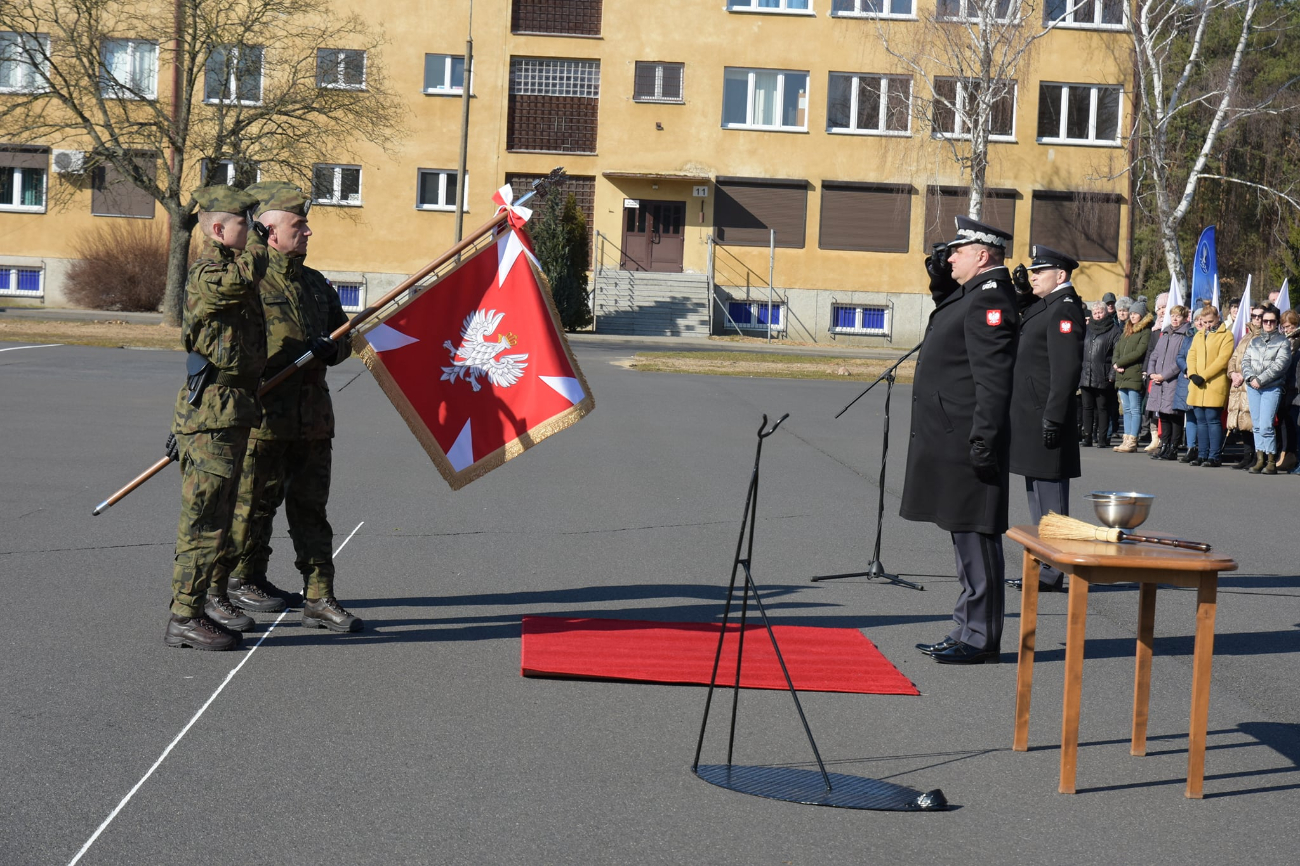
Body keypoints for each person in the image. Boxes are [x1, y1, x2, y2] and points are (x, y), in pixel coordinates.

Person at [216, 182, 363, 632]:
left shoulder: (316, 283)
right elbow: (221, 348)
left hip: (313, 419)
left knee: (310, 510)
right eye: (299, 225)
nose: (308, 233)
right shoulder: (249, 281)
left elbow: (344, 341)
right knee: (249, 509)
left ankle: (319, 597)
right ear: (270, 231)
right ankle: (235, 585)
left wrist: (329, 350)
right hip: (262, 418)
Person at [903, 216, 1018, 666]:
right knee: (963, 532)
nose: (949, 257)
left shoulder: (992, 300)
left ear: (982, 255)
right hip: (954, 435)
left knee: (977, 533)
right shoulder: (973, 295)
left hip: (969, 435)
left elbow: (993, 380)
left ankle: (981, 636)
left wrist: (984, 439)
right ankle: (966, 626)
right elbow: (951, 313)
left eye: (958, 251)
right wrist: (939, 280)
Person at [165, 186, 268, 651]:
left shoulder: (226, 266)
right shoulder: (209, 272)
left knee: (219, 518)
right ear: (220, 229)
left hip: (228, 411)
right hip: (210, 416)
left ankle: (200, 602)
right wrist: (264, 244)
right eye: (246, 225)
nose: (253, 233)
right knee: (203, 520)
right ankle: (184, 616)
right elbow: (242, 281)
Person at [1006, 245, 1084, 594]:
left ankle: (1053, 571)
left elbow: (1065, 370)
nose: (1033, 275)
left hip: (1045, 416)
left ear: (1061, 276)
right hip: (1030, 415)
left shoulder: (1065, 309)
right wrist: (1022, 292)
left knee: (1051, 501)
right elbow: (1023, 317)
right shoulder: (1047, 305)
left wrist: (1054, 417)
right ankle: (1043, 568)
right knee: (1037, 497)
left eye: (1040, 271)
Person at [1241, 304, 1291, 475]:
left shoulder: (1283, 342)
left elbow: (1280, 365)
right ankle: (1260, 458)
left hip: (1271, 387)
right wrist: (1250, 378)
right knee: (1256, 425)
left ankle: (1271, 461)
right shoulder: (1254, 341)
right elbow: (1245, 361)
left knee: (1266, 425)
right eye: (1265, 321)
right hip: (1253, 387)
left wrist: (1261, 380)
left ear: (1277, 323)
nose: (1268, 324)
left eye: (1271, 321)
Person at [1185, 306, 1234, 467]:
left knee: (1212, 420)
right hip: (1197, 384)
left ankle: (1214, 455)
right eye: (1204, 322)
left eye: (1210, 321)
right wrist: (1192, 374)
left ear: (1218, 318)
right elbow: (1191, 355)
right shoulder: (1198, 336)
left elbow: (1222, 359)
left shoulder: (1226, 336)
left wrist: (1203, 376)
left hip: (1214, 383)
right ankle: (1202, 454)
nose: (1207, 325)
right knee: (1200, 420)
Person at [1146, 305, 1191, 460]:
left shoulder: (1185, 335)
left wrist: (1163, 375)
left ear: (1185, 318)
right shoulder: (1165, 333)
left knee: (1174, 415)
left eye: (1178, 316)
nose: (1175, 319)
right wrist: (1152, 372)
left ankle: (1173, 447)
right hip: (1158, 380)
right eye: (1173, 316)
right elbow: (1154, 354)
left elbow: (1180, 360)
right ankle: (1164, 445)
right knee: (1163, 414)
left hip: (1172, 381)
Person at [1111, 298, 1153, 452]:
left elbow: (1139, 352)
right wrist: (1116, 363)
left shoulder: (1145, 331)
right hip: (1121, 375)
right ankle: (1126, 438)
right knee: (1126, 409)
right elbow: (1117, 349)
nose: (1133, 316)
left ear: (1142, 315)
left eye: (1136, 313)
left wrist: (1120, 362)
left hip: (1134, 373)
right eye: (1132, 313)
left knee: (1135, 409)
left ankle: (1132, 440)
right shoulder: (1127, 330)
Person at [1225, 305, 1263, 469]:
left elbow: (1260, 362)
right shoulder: (1245, 337)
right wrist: (1232, 373)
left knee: (1254, 422)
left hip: (1251, 384)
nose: (1257, 319)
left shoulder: (1264, 337)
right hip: (1238, 385)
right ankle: (1247, 455)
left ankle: (1258, 456)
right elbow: (1234, 357)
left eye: (1260, 316)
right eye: (1254, 316)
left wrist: (1244, 375)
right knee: (1243, 422)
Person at [1079, 300, 1119, 447]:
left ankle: (1102, 438)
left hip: (1103, 374)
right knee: (1087, 407)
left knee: (1102, 408)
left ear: (1106, 312)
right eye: (1095, 313)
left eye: (1100, 312)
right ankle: (1087, 437)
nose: (1097, 315)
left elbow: (1117, 354)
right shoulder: (1086, 329)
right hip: (1086, 374)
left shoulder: (1114, 330)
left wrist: (1112, 375)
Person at [1280, 310, 1300, 474]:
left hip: (1297, 390)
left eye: (1290, 326)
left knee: (1298, 427)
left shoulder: (1297, 341)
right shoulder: (1286, 341)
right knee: (1292, 427)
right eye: (1285, 326)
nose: (1287, 329)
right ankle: (1294, 460)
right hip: (1289, 391)